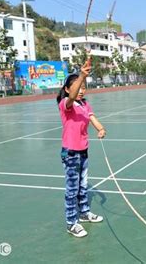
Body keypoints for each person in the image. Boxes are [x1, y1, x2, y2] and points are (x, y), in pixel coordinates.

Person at [56, 60, 107, 238]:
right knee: (72, 188)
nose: (82, 90)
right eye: (78, 87)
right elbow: (71, 98)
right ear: (68, 89)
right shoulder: (65, 104)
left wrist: (100, 128)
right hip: (70, 152)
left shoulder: (85, 105)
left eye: (84, 87)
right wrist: (82, 75)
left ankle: (84, 213)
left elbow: (93, 119)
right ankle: (71, 222)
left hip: (83, 150)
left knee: (83, 185)